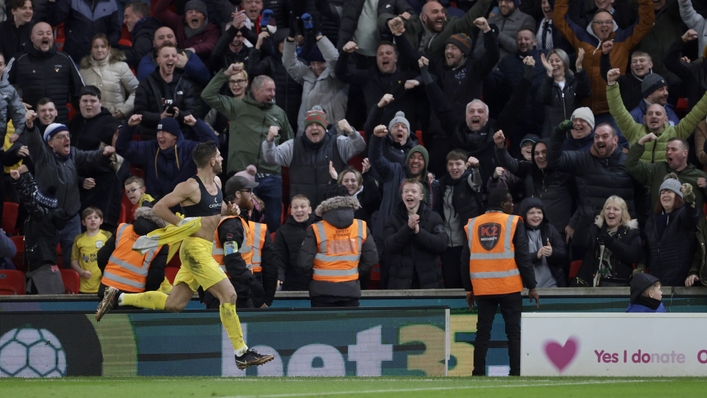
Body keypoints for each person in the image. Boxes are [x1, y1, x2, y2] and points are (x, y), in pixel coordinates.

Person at [95, 141, 275, 370]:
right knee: (229, 295)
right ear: (211, 161)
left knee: (174, 304)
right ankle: (241, 353)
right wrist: (184, 225)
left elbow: (212, 211)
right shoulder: (190, 186)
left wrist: (227, 211)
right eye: (219, 156)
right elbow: (159, 208)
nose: (221, 159)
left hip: (202, 248)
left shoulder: (217, 183)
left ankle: (118, 298)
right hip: (194, 249)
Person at [202, 65, 294, 232]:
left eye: (274, 90)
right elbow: (207, 95)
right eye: (268, 90)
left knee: (273, 224)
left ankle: (270, 255)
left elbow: (290, 143)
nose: (273, 94)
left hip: (271, 176)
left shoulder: (279, 113)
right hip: (241, 176)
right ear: (256, 91)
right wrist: (225, 74)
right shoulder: (237, 107)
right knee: (240, 223)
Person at [21, 111, 116, 274]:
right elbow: (34, 141)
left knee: (72, 261)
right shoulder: (42, 156)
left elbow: (89, 157)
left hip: (71, 219)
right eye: (60, 137)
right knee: (47, 263)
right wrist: (30, 126)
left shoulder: (72, 153)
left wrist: (103, 153)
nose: (67, 139)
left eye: (67, 135)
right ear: (50, 143)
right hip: (47, 221)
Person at [462, 187, 539, 377]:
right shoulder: (513, 222)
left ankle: (478, 372)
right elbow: (522, 256)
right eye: (510, 201)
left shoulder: (472, 224)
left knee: (482, 332)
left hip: (482, 288)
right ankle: (516, 372)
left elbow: (465, 259)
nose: (513, 205)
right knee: (513, 332)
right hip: (509, 287)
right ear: (503, 204)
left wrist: (469, 289)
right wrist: (532, 286)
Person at [553, 0, 654, 120]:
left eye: (608, 22)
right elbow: (560, 20)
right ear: (592, 25)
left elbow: (646, 22)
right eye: (599, 22)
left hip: (615, 109)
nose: (604, 25)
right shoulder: (581, 38)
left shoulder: (623, 39)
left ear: (613, 24)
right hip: (586, 109)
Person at [262, 108, 365, 208]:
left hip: (332, 208)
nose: (314, 128)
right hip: (303, 210)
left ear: (325, 127)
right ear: (305, 128)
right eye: (310, 125)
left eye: (318, 124)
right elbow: (271, 157)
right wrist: (269, 140)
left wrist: (351, 132)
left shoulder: (338, 143)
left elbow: (359, 146)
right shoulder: (293, 146)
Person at [208, 175, 276, 309]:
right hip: (232, 290)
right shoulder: (231, 223)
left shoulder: (233, 221)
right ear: (238, 194)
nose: (252, 195)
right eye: (249, 191)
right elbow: (232, 259)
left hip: (227, 288)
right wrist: (253, 284)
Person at [297, 194, 378, 307]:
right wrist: (354, 272)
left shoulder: (316, 229)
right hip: (350, 290)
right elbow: (371, 258)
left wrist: (315, 277)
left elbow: (304, 263)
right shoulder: (361, 226)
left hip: (321, 291)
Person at [115, 114, 218, 200]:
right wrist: (129, 126)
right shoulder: (151, 148)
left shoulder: (189, 148)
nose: (160, 135)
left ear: (175, 136)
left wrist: (197, 124)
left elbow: (213, 146)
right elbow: (122, 148)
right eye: (158, 132)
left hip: (183, 202)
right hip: (155, 204)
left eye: (164, 132)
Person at [7, 22, 85, 124]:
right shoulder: (18, 60)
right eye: (40, 34)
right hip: (28, 124)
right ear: (32, 37)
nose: (45, 36)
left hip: (59, 124)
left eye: (49, 33)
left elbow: (80, 91)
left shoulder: (65, 59)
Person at [9, 164, 68, 293]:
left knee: (51, 307)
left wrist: (19, 181)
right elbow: (35, 193)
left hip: (43, 266)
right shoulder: (48, 213)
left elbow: (30, 199)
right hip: (39, 266)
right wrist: (27, 175)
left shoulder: (43, 216)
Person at [384, 178, 447, 289]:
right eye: (406, 191)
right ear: (402, 195)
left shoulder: (434, 217)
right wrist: (407, 229)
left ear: (421, 196)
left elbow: (441, 244)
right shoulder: (392, 218)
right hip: (401, 283)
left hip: (429, 283)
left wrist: (419, 232)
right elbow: (389, 246)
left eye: (413, 191)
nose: (409, 194)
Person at [96, 205, 170, 298]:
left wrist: (108, 275)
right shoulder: (161, 243)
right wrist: (145, 290)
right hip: (134, 294)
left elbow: (102, 256)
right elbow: (156, 275)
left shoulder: (122, 229)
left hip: (107, 287)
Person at [282, 28, 347, 134]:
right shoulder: (307, 74)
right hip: (305, 134)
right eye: (313, 63)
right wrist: (290, 39)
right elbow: (290, 63)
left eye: (321, 63)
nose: (316, 67)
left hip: (331, 135)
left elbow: (334, 59)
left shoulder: (337, 77)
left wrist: (319, 37)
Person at [571, 195, 644, 287]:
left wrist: (611, 242)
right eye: (608, 208)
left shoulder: (631, 231)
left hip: (620, 285)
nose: (611, 211)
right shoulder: (596, 229)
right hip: (593, 284)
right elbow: (577, 243)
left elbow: (634, 255)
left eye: (616, 209)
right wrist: (585, 219)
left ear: (623, 213)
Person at [435, 149, 483, 288]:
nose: (454, 167)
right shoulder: (443, 183)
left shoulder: (469, 180)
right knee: (451, 282)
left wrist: (475, 168)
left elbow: (477, 183)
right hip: (448, 245)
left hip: (466, 244)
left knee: (468, 283)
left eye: (458, 163)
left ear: (465, 165)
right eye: (451, 164)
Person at [134, 43, 200, 141]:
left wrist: (179, 114)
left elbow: (193, 113)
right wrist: (160, 116)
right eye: (166, 56)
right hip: (153, 139)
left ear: (177, 59)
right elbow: (139, 114)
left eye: (174, 56)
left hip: (180, 139)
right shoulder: (145, 85)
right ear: (158, 60)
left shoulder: (185, 84)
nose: (171, 58)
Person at [643, 175, 700, 287]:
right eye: (662, 192)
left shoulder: (683, 214)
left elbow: (692, 214)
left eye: (669, 191)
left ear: (678, 196)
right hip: (656, 283)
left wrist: (689, 197)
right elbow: (646, 249)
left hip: (680, 282)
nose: (665, 195)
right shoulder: (653, 220)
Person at [79, 34, 139, 120]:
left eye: (103, 46)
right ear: (91, 50)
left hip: (116, 120)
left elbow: (136, 90)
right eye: (96, 47)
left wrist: (123, 111)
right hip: (92, 121)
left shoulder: (121, 67)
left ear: (109, 49)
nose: (99, 50)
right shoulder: (83, 71)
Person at [537, 48, 591, 137]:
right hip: (553, 134)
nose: (554, 63)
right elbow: (543, 98)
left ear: (565, 64)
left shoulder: (574, 82)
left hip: (574, 131)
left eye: (557, 60)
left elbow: (586, 92)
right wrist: (549, 74)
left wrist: (579, 67)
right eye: (551, 61)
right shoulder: (546, 83)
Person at [153, 0, 220, 66]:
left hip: (201, 68)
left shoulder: (212, 29)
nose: (194, 14)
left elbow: (212, 44)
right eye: (190, 12)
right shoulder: (178, 22)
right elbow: (159, 11)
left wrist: (192, 50)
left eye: (198, 12)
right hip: (176, 66)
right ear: (186, 17)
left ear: (204, 16)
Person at [518, 197, 566, 287]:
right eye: (531, 213)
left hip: (552, 285)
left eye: (539, 212)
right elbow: (516, 258)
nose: (536, 216)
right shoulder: (518, 232)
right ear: (524, 215)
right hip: (526, 286)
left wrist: (552, 252)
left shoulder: (550, 229)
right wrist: (536, 255)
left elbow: (563, 254)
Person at [274, 194, 314, 291]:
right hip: (292, 283)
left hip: (316, 281)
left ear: (310, 210)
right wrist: (279, 276)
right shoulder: (282, 231)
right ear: (291, 211)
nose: (299, 210)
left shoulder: (318, 228)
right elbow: (279, 257)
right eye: (295, 207)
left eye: (303, 206)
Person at [70, 207, 112, 294]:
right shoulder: (78, 239)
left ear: (101, 220)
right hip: (85, 286)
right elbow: (73, 261)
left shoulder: (107, 236)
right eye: (89, 218)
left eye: (96, 217)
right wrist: (81, 272)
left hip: (104, 284)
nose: (93, 220)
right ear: (83, 222)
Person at [337, 163, 381, 228]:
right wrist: (334, 181)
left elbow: (373, 199)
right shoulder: (337, 200)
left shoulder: (363, 199)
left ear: (359, 183)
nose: (349, 183)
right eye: (346, 181)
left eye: (353, 180)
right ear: (340, 183)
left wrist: (366, 175)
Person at [119, 1, 161, 68]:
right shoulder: (147, 29)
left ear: (140, 16)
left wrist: (115, 55)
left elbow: (139, 55)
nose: (124, 21)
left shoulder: (145, 33)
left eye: (127, 16)